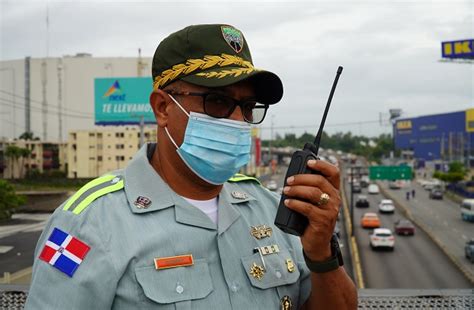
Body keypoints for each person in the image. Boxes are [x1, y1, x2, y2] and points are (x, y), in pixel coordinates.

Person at [25, 24, 357, 309]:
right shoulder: (87, 223)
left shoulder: (271, 208)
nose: (239, 120)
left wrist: (320, 252)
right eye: (218, 102)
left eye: (247, 106)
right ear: (162, 108)